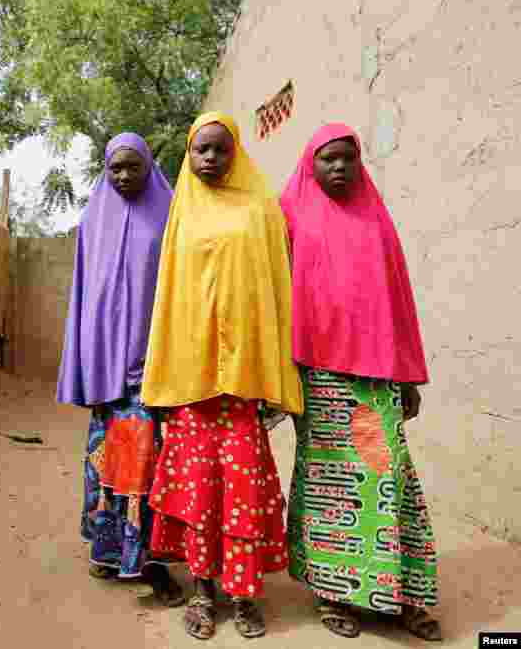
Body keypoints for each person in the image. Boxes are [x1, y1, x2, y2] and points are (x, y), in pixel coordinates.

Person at [141, 112, 304, 640]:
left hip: (240, 384)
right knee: (199, 493)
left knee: (242, 492)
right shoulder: (181, 213)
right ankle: (203, 593)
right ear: (188, 156)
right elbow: (169, 301)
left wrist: (273, 373)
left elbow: (275, 294)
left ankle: (244, 594)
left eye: (219, 149)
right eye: (200, 150)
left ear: (236, 153)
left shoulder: (259, 210)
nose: (210, 158)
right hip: (192, 383)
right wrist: (163, 382)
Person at [281, 123, 441, 642]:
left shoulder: (376, 220)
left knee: (387, 474)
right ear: (311, 164)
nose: (339, 167)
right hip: (320, 377)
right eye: (328, 159)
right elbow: (273, 298)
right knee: (330, 483)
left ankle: (405, 593)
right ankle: (333, 591)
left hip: (375, 381)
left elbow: (398, 300)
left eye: (348, 157)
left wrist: (407, 378)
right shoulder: (291, 216)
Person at [57, 133, 183, 606]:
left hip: (154, 371)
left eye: (134, 166)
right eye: (116, 168)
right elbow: (85, 297)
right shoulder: (94, 217)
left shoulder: (171, 215)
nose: (125, 175)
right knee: (104, 465)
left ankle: (149, 561)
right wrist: (87, 368)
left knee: (149, 469)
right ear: (105, 171)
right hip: (109, 374)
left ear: (150, 165)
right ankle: (107, 550)